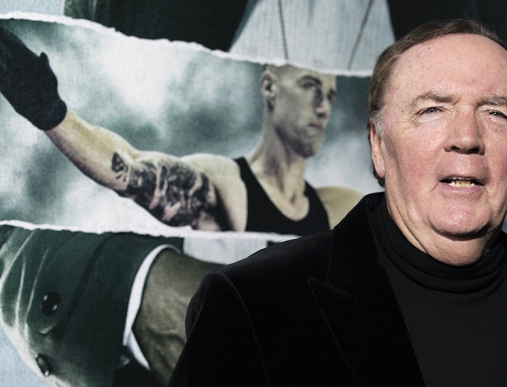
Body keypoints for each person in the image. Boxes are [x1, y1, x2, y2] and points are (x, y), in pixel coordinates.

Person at [159, 19, 507, 387]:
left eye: (497, 113)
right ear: (378, 146)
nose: (467, 137)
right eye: (433, 110)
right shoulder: (254, 305)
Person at [0, 27, 362, 237]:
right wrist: (51, 112)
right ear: (270, 87)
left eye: (330, 96)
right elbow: (132, 170)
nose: (323, 107)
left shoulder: (343, 207)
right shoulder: (229, 185)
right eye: (310, 86)